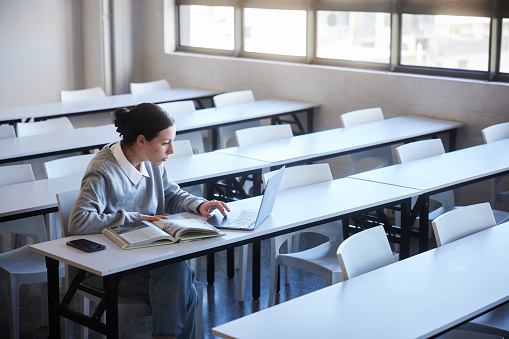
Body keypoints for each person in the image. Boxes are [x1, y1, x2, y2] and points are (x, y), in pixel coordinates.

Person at [69, 102, 229, 339]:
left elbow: (171, 193)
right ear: (142, 141)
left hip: (143, 257)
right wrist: (135, 218)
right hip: (108, 266)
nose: (171, 150)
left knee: (180, 276)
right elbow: (79, 221)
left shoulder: (153, 162)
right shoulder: (103, 170)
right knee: (186, 286)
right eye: (165, 143)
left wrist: (200, 204)